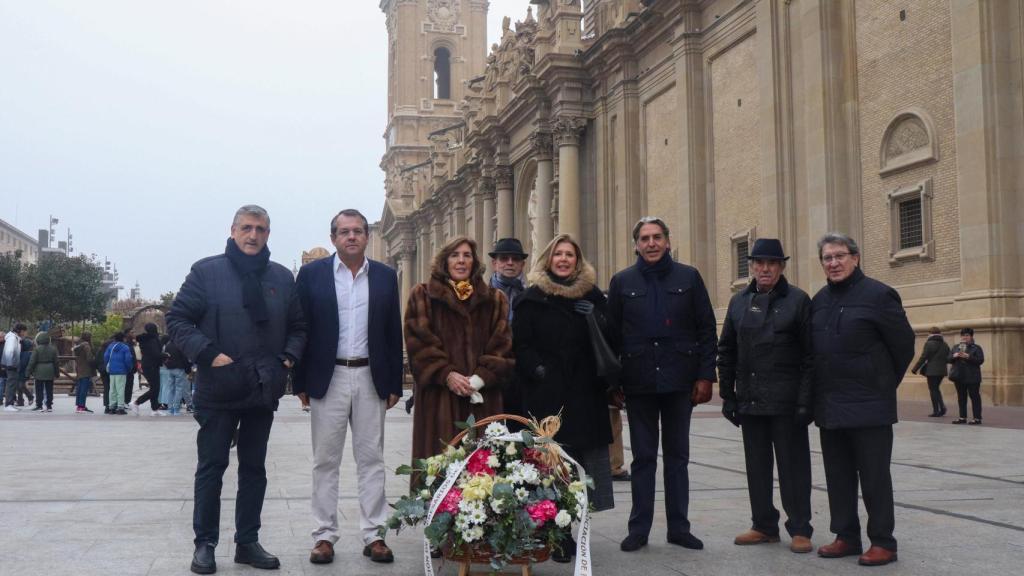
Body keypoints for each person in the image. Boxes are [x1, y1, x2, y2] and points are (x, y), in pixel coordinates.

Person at [167, 204, 306, 575]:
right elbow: (177, 319)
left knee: (254, 469)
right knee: (212, 467)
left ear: (268, 234)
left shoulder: (280, 277)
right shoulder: (206, 272)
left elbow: (298, 326)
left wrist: (287, 360)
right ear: (232, 231)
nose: (253, 235)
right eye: (246, 228)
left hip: (262, 388)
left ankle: (247, 541)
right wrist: (208, 354)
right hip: (219, 388)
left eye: (260, 229)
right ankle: (205, 544)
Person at [293, 209, 403, 565]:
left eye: (358, 231)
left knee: (372, 459)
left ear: (367, 237)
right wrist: (301, 381)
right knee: (325, 461)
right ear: (333, 238)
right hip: (330, 377)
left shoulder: (386, 277)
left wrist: (394, 382)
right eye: (344, 232)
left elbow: (391, 331)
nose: (352, 237)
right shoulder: (312, 276)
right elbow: (301, 328)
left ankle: (375, 535)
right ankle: (324, 536)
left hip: (371, 377)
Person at [607, 217, 717, 553]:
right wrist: (613, 382)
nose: (651, 243)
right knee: (642, 459)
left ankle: (679, 528)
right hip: (638, 382)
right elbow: (611, 337)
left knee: (677, 458)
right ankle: (638, 529)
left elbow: (706, 329)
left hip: (679, 381)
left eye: (657, 237)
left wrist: (704, 376)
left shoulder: (689, 277)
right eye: (644, 238)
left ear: (668, 241)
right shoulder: (622, 281)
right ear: (636, 244)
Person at [811, 232, 914, 567]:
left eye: (839, 256)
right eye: (827, 258)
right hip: (831, 404)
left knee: (874, 477)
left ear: (855, 258)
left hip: (870, 406)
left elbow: (903, 346)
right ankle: (846, 536)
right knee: (838, 476)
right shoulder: (819, 300)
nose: (834, 263)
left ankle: (883, 542)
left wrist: (881, 383)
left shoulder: (880, 295)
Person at [513, 233, 614, 563]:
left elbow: (613, 334)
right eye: (558, 254)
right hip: (547, 398)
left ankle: (575, 524)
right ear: (548, 259)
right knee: (549, 466)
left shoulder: (593, 296)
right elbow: (521, 344)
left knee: (581, 468)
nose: (564, 259)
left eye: (570, 254)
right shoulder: (532, 298)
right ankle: (553, 533)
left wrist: (594, 316)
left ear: (578, 260)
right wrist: (538, 370)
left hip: (585, 396)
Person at [717, 238, 815, 553]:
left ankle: (800, 528)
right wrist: (728, 395)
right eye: (759, 263)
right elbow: (726, 350)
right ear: (752, 266)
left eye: (771, 263)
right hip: (750, 399)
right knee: (757, 467)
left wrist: (805, 400)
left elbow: (810, 357)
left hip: (787, 403)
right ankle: (763, 525)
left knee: (793, 467)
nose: (765, 268)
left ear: (782, 266)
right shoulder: (738, 302)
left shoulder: (798, 300)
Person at [404, 236, 514, 466]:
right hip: (439, 400)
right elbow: (419, 345)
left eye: (467, 255)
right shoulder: (423, 296)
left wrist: (479, 378)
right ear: (444, 261)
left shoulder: (495, 300)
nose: (461, 261)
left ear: (475, 262)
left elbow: (502, 345)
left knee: (483, 475)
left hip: (482, 399)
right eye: (455, 255)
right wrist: (446, 374)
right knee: (438, 470)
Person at [488, 238, 528, 418]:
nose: (510, 263)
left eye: (515, 259)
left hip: (523, 378)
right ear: (494, 263)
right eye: (504, 258)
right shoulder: (481, 296)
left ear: (523, 264)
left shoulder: (533, 295)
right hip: (490, 377)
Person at [948, 327, 984, 425]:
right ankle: (962, 417)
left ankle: (977, 418)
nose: (965, 337)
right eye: (963, 335)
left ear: (971, 336)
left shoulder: (977, 348)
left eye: (967, 335)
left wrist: (968, 356)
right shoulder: (956, 347)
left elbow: (980, 360)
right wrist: (954, 356)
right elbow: (948, 359)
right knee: (961, 397)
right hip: (959, 376)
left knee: (975, 397)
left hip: (973, 377)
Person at [911, 327, 949, 417]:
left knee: (933, 390)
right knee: (936, 389)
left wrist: (915, 368)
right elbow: (948, 357)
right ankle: (942, 408)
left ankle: (936, 411)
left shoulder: (929, 344)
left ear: (930, 334)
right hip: (942, 371)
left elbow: (923, 357)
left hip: (932, 371)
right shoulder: (945, 344)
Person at [130, 323, 165, 415]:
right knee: (155, 388)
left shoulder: (146, 339)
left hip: (150, 365)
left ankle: (154, 409)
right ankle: (137, 402)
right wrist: (166, 355)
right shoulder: (152, 340)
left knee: (155, 388)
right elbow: (155, 353)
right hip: (151, 365)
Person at [104, 332, 134, 415]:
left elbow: (106, 356)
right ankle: (120, 407)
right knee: (120, 389)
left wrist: (109, 366)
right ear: (123, 338)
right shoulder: (125, 347)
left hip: (112, 370)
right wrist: (129, 368)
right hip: (121, 370)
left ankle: (111, 407)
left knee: (112, 389)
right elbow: (128, 359)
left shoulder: (110, 346)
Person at [27, 331, 59, 412]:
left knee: (39, 389)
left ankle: (39, 405)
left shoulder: (37, 349)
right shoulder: (53, 349)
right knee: (49, 389)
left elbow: (32, 362)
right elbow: (56, 362)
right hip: (50, 371)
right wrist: (57, 373)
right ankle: (49, 406)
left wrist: (28, 372)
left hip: (39, 371)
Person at [160, 335, 191, 416]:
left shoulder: (168, 345)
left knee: (171, 389)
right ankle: (176, 409)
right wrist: (188, 368)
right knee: (179, 389)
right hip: (179, 369)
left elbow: (165, 357)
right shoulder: (180, 345)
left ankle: (170, 409)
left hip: (170, 369)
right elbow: (185, 358)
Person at [2, 323, 28, 411]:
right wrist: (10, 365)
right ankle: (8, 404)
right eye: (24, 331)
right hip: (11, 365)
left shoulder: (15, 338)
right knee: (11, 384)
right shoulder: (12, 338)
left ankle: (10, 403)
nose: (25, 334)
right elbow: (9, 351)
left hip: (12, 364)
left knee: (12, 384)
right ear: (20, 331)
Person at [73, 332, 96, 413]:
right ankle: (81, 406)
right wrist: (94, 362)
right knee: (84, 388)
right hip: (86, 369)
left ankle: (79, 406)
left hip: (79, 368)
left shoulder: (78, 346)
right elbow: (89, 358)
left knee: (79, 388)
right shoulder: (86, 346)